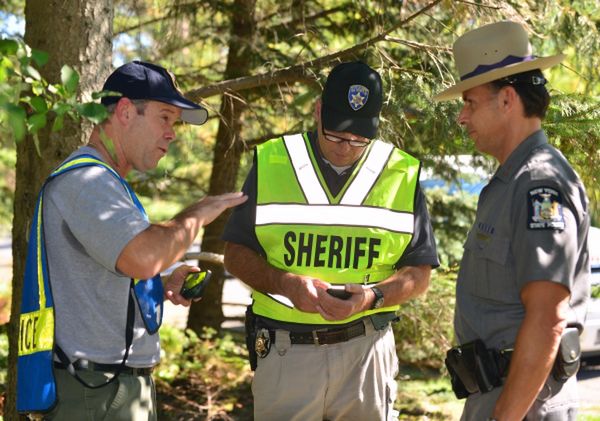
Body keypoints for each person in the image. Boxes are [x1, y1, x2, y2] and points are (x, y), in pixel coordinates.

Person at [17, 60, 247, 420]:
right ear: (125, 111)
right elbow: (141, 257)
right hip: (95, 393)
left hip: (106, 388)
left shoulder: (106, 182)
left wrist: (160, 283)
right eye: (165, 118)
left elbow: (111, 271)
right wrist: (198, 213)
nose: (172, 133)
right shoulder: (87, 181)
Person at [222, 60, 439, 420]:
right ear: (318, 110)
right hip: (286, 351)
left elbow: (419, 272)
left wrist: (372, 297)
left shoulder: (402, 172)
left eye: (358, 139)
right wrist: (285, 283)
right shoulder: (274, 160)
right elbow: (234, 253)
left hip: (367, 353)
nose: (345, 148)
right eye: (336, 135)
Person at [434, 21, 590, 420]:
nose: (461, 118)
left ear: (507, 99)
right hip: (506, 398)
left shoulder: (539, 184)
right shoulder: (511, 182)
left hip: (524, 406)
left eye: (470, 102)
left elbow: (547, 318)